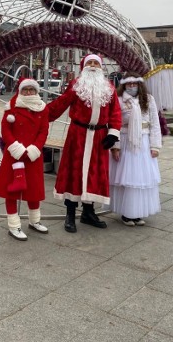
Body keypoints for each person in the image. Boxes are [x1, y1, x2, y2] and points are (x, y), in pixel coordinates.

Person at [48, 54, 122, 233]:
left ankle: (89, 212)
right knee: (73, 173)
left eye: (96, 62)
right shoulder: (76, 86)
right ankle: (70, 214)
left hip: (99, 136)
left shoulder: (109, 87)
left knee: (95, 174)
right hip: (78, 135)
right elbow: (60, 104)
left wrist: (113, 134)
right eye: (90, 62)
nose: (93, 65)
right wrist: (38, 113)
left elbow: (115, 112)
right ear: (83, 66)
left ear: (101, 67)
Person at [0, 78, 49, 241]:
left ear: (37, 91)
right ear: (20, 91)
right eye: (26, 90)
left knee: (34, 190)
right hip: (14, 155)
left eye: (32, 89)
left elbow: (44, 130)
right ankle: (14, 225)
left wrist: (35, 148)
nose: (29, 92)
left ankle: (34, 221)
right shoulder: (11, 107)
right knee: (12, 190)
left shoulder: (42, 108)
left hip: (33, 155)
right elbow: (5, 129)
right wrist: (16, 148)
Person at [108, 73, 162, 226]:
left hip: (143, 142)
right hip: (126, 141)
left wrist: (155, 146)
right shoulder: (118, 101)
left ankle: (137, 212)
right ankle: (126, 213)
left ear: (139, 84)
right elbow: (115, 124)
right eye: (128, 84)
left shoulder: (149, 100)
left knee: (141, 179)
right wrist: (115, 147)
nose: (132, 86)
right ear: (124, 85)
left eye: (134, 83)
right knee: (127, 178)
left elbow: (155, 124)